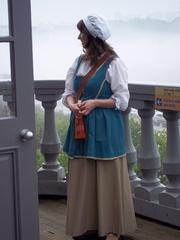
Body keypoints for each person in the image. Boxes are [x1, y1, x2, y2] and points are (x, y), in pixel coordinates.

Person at [62, 14, 136, 240]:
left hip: (105, 127)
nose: (78, 37)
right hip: (81, 126)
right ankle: (87, 224)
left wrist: (95, 103)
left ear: (92, 36)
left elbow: (122, 99)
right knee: (84, 177)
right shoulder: (78, 62)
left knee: (108, 177)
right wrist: (73, 105)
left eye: (82, 33)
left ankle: (112, 228)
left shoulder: (114, 64)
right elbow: (68, 94)